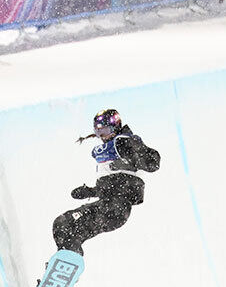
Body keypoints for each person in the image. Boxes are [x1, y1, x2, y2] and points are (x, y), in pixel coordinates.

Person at [51, 109, 161, 258]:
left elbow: (152, 163)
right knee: (69, 231)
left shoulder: (124, 142)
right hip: (111, 206)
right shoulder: (113, 149)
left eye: (105, 131)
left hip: (115, 206)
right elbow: (116, 183)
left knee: (64, 223)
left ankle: (67, 262)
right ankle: (65, 268)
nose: (102, 137)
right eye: (98, 133)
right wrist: (90, 191)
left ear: (116, 127)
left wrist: (134, 151)